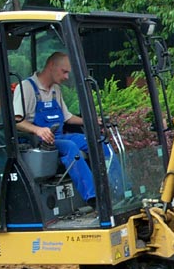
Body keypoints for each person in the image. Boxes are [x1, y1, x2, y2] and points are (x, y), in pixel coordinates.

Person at [13, 52, 105, 208]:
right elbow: (16, 121)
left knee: (98, 141)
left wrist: (91, 121)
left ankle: (118, 189)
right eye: (65, 71)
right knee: (70, 148)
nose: (67, 76)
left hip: (60, 136)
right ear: (51, 66)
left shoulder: (56, 89)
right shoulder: (26, 88)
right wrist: (38, 130)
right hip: (40, 142)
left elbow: (67, 117)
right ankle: (95, 198)